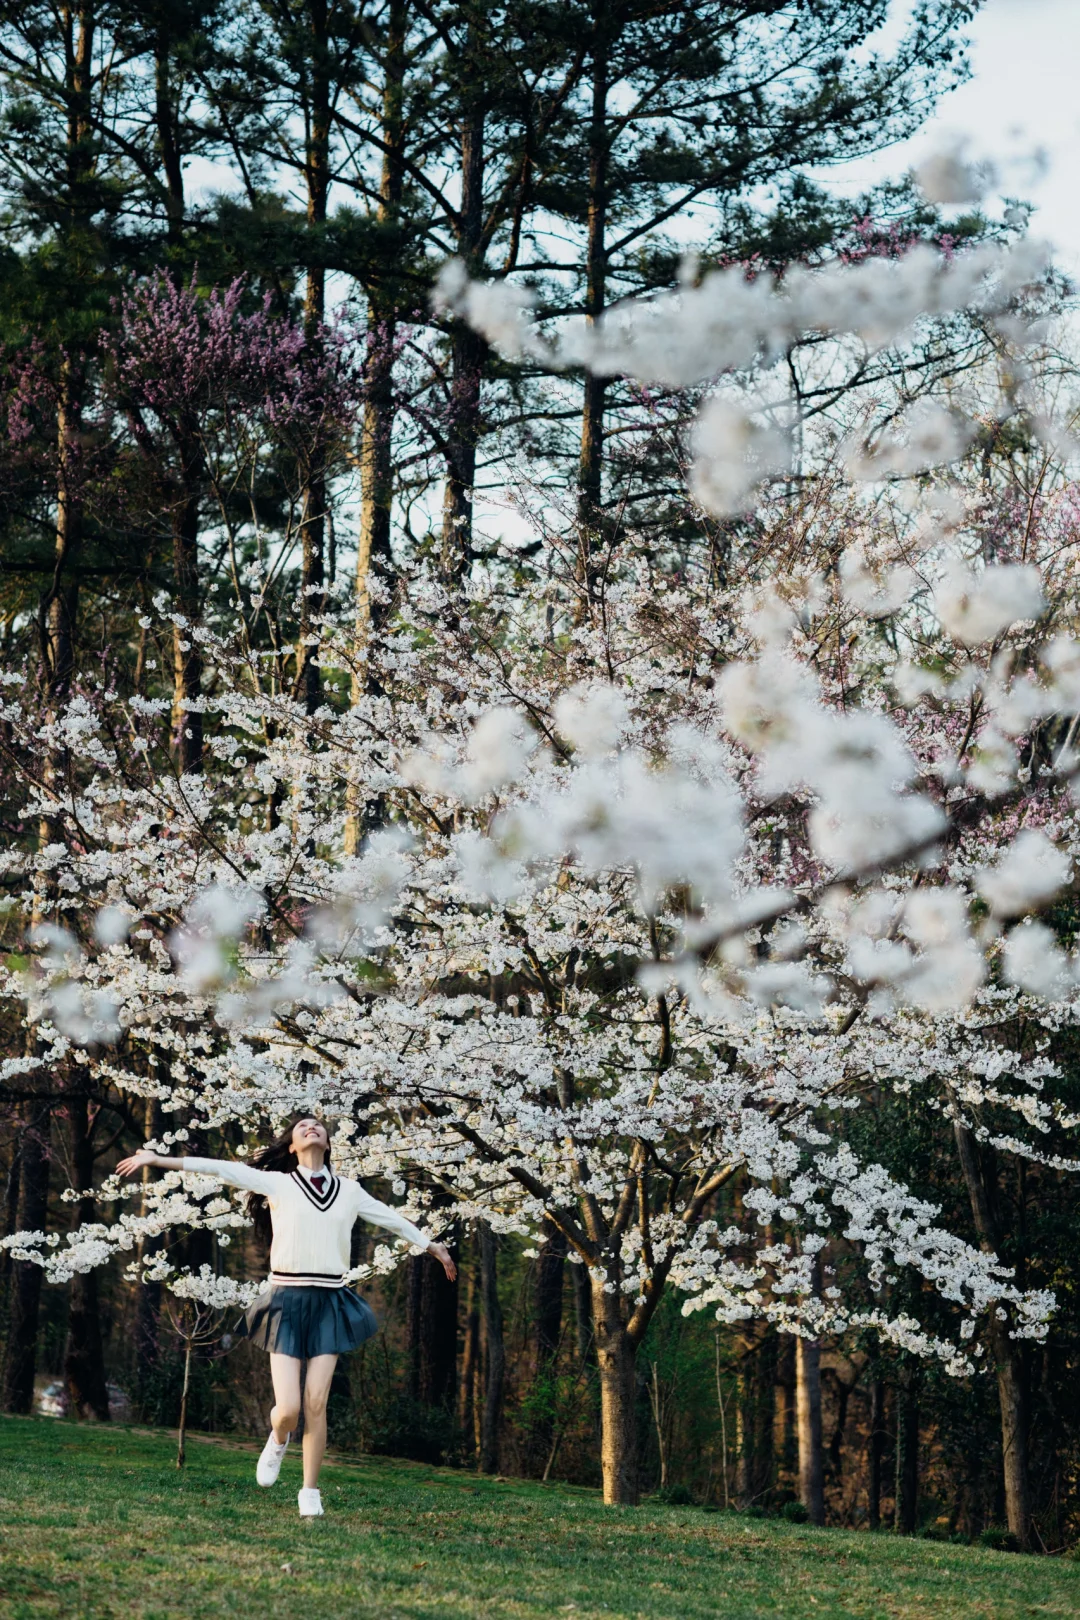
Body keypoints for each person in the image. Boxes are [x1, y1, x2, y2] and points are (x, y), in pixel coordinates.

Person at [118, 1116, 455, 1517]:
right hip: (286, 1301)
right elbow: (222, 1169)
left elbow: (390, 1217)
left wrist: (431, 1245)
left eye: (317, 1125)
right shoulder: (278, 1183)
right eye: (301, 1127)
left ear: (328, 1142)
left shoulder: (349, 1191)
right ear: (292, 1147)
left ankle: (310, 1491)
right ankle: (278, 1438)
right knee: (290, 1409)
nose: (311, 1128)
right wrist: (158, 1160)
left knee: (317, 1402)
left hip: (330, 1301)